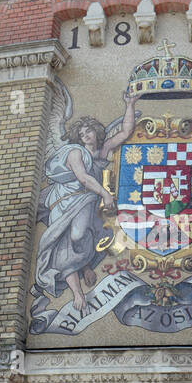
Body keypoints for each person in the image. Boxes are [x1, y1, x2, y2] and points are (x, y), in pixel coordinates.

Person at [35, 92, 140, 314]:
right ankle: (78, 290)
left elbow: (125, 132)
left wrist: (130, 104)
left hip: (87, 199)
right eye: (81, 133)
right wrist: (106, 194)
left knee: (78, 237)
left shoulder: (102, 149)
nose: (85, 136)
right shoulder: (74, 152)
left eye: (88, 131)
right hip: (66, 200)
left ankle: (83, 266)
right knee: (68, 241)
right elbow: (84, 178)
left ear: (96, 131)